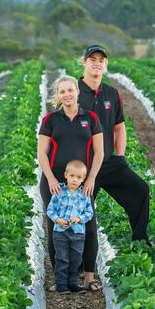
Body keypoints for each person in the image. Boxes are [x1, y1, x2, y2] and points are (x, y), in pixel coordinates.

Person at [77, 44, 151, 292]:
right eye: (92, 59)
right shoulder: (74, 91)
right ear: (84, 62)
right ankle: (79, 265)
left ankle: (140, 241)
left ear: (106, 64)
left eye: (101, 60)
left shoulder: (111, 93)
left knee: (140, 190)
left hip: (109, 162)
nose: (97, 63)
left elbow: (119, 126)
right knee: (83, 213)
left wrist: (120, 156)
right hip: (85, 167)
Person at [37, 74, 104, 291]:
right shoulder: (50, 120)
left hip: (82, 182)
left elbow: (99, 152)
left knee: (87, 226)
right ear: (58, 95)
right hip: (56, 182)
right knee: (56, 228)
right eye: (62, 91)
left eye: (70, 90)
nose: (67, 95)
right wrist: (50, 179)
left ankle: (89, 278)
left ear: (77, 92)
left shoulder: (91, 118)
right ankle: (61, 280)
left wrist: (91, 178)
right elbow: (42, 153)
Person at [46, 160, 94, 294]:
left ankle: (73, 283)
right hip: (60, 232)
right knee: (62, 258)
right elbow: (50, 210)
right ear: (66, 175)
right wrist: (58, 220)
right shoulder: (59, 192)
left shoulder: (84, 195)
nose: (74, 180)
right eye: (72, 176)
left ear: (83, 179)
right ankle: (61, 285)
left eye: (79, 177)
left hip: (78, 233)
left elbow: (89, 213)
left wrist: (79, 218)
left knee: (76, 259)